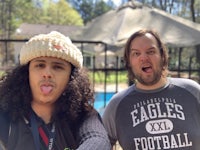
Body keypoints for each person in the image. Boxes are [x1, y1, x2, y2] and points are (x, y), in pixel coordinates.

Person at [0, 31, 111, 150]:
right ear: (26, 73)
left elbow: (98, 140)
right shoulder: (5, 113)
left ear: (71, 77)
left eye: (57, 67)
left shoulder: (84, 115)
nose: (47, 74)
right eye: (40, 65)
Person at [102, 29, 200, 150]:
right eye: (136, 54)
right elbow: (99, 143)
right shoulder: (117, 105)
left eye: (151, 51)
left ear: (162, 56)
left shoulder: (192, 92)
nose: (144, 58)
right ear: (129, 62)